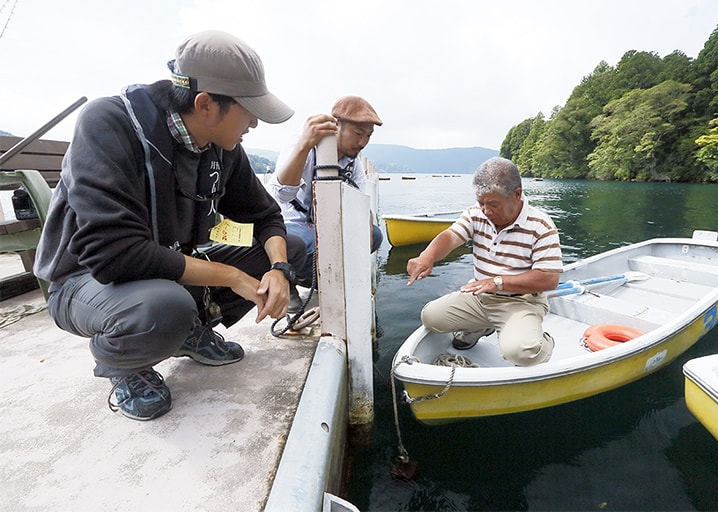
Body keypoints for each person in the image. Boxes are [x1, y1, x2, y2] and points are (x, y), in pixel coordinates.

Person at [33, 30, 306, 421]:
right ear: (206, 103)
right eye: (249, 111)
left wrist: (279, 269)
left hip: (165, 266)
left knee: (289, 248)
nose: (255, 124)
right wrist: (231, 275)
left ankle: (189, 332)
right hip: (85, 280)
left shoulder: (222, 148)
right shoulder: (108, 123)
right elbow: (116, 255)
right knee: (165, 306)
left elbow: (265, 216)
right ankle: (124, 364)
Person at [406, 157, 562, 365]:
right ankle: (481, 326)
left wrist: (497, 282)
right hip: (480, 296)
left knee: (522, 352)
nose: (487, 211)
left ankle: (542, 341)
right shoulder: (476, 214)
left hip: (520, 301)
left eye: (493, 204)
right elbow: (452, 236)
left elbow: (548, 279)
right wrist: (427, 256)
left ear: (517, 194)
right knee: (431, 317)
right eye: (481, 203)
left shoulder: (541, 225)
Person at [267, 96, 384, 311]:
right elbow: (282, 194)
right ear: (336, 126)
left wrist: (359, 258)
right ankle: (288, 280)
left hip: (323, 225)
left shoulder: (352, 163)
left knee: (374, 235)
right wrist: (304, 145)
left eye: (368, 135)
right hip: (292, 223)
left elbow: (361, 206)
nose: (363, 142)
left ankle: (322, 279)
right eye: (358, 133)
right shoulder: (302, 146)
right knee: (302, 242)